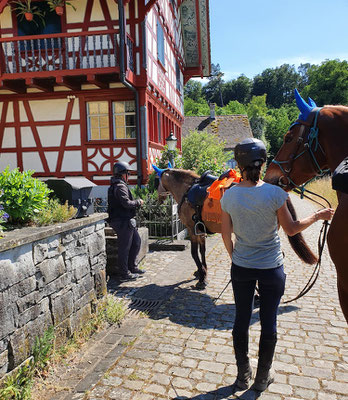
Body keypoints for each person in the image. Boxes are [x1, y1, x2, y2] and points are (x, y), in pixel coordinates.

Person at [220, 138, 334, 392]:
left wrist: (236, 259)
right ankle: (262, 378)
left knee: (240, 319)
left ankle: (241, 376)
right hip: (271, 268)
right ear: (263, 163)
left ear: (239, 164)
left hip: (241, 268)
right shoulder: (275, 194)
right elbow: (292, 229)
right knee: (269, 321)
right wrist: (317, 215)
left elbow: (226, 236)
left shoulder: (229, 195)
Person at [108, 161, 144, 282]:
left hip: (125, 220)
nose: (129, 176)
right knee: (125, 248)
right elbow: (126, 203)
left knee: (136, 242)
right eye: (128, 173)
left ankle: (132, 267)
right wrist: (138, 202)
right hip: (121, 221)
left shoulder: (118, 185)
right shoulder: (120, 186)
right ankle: (124, 273)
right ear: (123, 174)